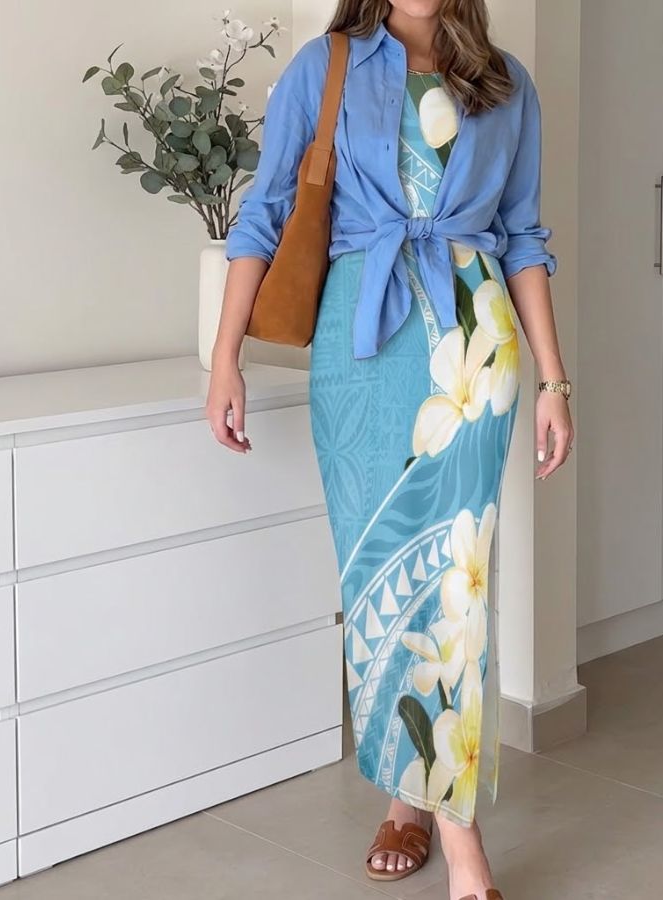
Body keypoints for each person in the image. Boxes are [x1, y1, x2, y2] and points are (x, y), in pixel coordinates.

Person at [206, 1, 573, 897]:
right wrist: (224, 358)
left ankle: (457, 837)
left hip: (474, 351)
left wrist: (555, 383)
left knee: (455, 585)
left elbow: (523, 236)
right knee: (377, 575)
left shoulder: (506, 83)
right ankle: (410, 795)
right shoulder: (326, 65)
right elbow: (265, 215)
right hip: (361, 346)